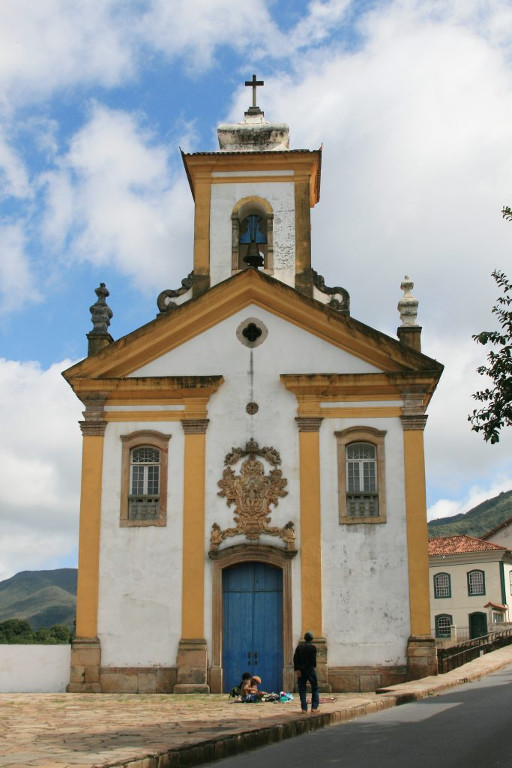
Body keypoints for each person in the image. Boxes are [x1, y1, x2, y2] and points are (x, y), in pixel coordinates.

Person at [293, 631, 319, 713]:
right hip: (310, 669)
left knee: (302, 689)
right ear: (311, 639)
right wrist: (312, 666)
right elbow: (313, 661)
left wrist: (297, 669)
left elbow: (295, 659)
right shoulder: (313, 648)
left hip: (301, 671)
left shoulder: (299, 647)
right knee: (314, 687)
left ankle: (304, 708)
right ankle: (314, 707)